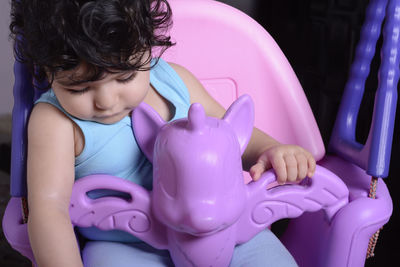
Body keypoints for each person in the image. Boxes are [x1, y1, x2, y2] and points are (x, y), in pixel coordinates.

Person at [10, 1, 316, 266]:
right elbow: (49, 211)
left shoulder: (174, 82)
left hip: (223, 230)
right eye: (79, 87)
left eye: (125, 76)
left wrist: (272, 150)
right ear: (47, 70)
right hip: (127, 244)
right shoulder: (55, 121)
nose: (105, 100)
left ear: (147, 45)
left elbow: (231, 133)